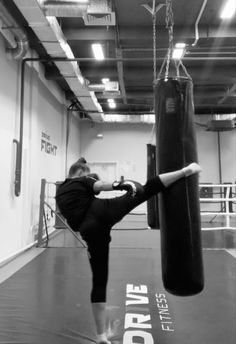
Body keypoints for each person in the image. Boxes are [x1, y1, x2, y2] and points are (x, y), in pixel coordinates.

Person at [55, 158, 202, 344]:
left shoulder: (60, 192)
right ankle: (186, 171)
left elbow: (72, 214)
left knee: (99, 281)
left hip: (89, 232)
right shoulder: (83, 180)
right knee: (147, 189)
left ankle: (101, 335)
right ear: (81, 173)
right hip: (103, 213)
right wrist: (121, 184)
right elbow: (101, 184)